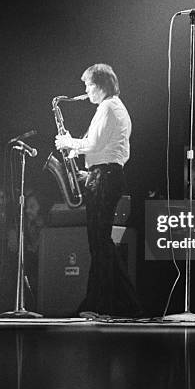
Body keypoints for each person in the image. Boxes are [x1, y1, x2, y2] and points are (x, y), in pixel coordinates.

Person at [55, 63, 141, 317]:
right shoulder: (113, 107)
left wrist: (67, 142)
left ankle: (97, 304)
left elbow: (93, 144)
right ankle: (127, 304)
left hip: (106, 177)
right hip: (103, 174)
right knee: (102, 244)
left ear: (101, 85)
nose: (86, 91)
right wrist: (86, 168)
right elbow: (103, 148)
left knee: (99, 243)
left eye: (89, 86)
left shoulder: (108, 107)